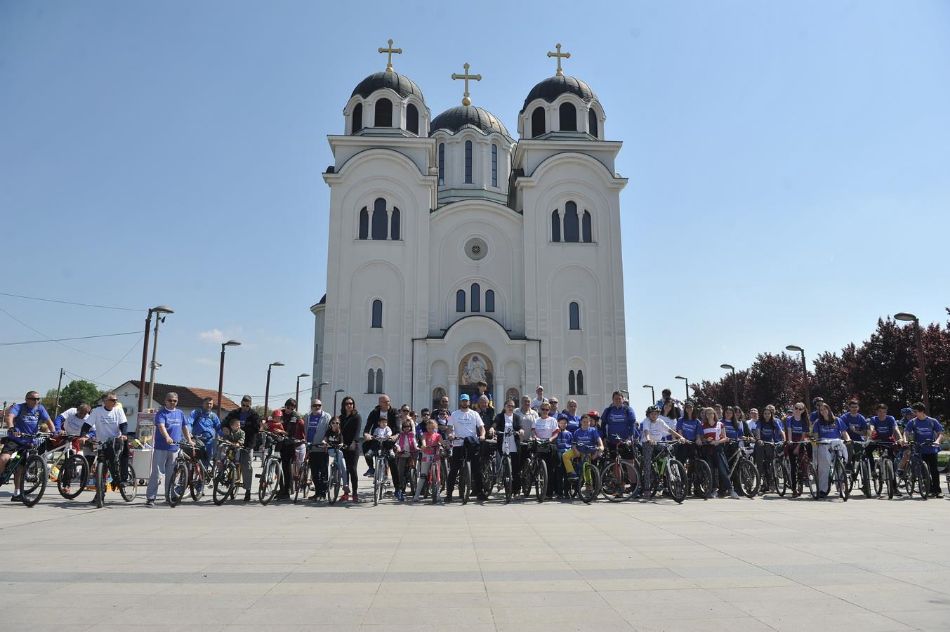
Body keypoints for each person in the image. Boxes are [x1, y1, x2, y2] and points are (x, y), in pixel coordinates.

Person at [2, 391, 52, 502]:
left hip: (29, 441)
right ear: (27, 399)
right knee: (4, 458)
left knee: (20, 469)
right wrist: (11, 427)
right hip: (15, 439)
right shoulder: (19, 407)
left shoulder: (40, 408)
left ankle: (17, 493)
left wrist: (55, 432)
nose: (36, 401)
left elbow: (49, 421)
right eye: (34, 399)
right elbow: (10, 417)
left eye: (38, 399)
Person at [146, 392, 192, 506]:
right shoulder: (161, 413)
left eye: (174, 401)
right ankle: (151, 497)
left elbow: (184, 427)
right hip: (161, 447)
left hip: (174, 448)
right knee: (156, 473)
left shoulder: (180, 413)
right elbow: (161, 426)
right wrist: (167, 437)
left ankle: (169, 496)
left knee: (172, 474)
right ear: (165, 401)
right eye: (170, 400)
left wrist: (189, 439)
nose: (172, 403)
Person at [446, 394, 485, 502]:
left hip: (471, 444)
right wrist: (450, 434)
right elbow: (449, 428)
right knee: (454, 470)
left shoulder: (475, 414)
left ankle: (480, 492)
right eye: (463, 401)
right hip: (458, 444)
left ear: (469, 402)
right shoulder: (454, 414)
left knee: (477, 469)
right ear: (460, 402)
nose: (464, 403)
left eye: (466, 401)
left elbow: (481, 427)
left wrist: (482, 435)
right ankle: (449, 494)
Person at [223, 395, 261, 502]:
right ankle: (228, 483)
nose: (245, 407)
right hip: (233, 442)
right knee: (228, 461)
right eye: (243, 405)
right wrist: (225, 427)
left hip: (247, 444)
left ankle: (247, 490)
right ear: (241, 403)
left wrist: (242, 428)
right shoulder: (235, 413)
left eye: (247, 406)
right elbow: (226, 421)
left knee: (246, 466)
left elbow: (257, 428)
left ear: (250, 405)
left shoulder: (254, 415)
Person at [640, 406, 684, 494]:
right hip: (648, 443)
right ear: (648, 415)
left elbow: (670, 430)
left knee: (667, 454)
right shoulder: (646, 421)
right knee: (648, 464)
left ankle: (666, 483)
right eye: (652, 414)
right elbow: (646, 431)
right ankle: (647, 488)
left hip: (658, 443)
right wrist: (649, 439)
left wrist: (681, 437)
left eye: (656, 414)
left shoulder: (660, 421)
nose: (654, 415)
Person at [903, 402, 944, 497]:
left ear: (922, 411)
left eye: (915, 411)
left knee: (934, 470)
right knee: (923, 470)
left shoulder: (932, 421)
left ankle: (937, 490)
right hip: (919, 449)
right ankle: (928, 488)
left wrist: (937, 441)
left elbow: (940, 433)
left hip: (931, 448)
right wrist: (905, 440)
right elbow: (906, 432)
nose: (914, 413)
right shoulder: (913, 422)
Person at [811, 402, 850, 499]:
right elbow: (816, 436)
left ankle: (841, 487)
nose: (823, 411)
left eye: (825, 409)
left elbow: (844, 433)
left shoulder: (837, 420)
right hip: (824, 444)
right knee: (823, 467)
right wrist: (816, 441)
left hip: (836, 443)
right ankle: (822, 490)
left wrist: (848, 440)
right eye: (821, 410)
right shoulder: (817, 422)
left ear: (829, 409)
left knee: (840, 466)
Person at [700, 407, 740, 499]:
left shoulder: (720, 424)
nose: (710, 415)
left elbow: (725, 438)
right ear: (705, 415)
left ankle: (731, 490)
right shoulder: (702, 425)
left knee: (723, 470)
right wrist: (706, 439)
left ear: (715, 414)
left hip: (718, 449)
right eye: (708, 413)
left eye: (711, 413)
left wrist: (717, 442)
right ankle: (713, 490)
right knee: (711, 470)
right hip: (707, 450)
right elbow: (701, 438)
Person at [491, 400, 522, 495]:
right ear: (505, 407)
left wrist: (521, 431)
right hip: (503, 443)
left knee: (516, 469)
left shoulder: (516, 417)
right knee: (505, 467)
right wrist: (492, 428)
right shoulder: (500, 416)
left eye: (512, 406)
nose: (510, 407)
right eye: (509, 406)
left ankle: (516, 490)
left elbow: (520, 427)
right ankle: (507, 487)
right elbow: (494, 425)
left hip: (514, 444)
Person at [562, 413, 603, 481]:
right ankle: (572, 473)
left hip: (588, 451)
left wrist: (600, 449)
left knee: (586, 466)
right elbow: (573, 444)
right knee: (565, 456)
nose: (586, 423)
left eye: (587, 422)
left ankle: (588, 484)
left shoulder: (593, 430)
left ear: (590, 422)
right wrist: (576, 451)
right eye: (584, 421)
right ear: (581, 422)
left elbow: (600, 443)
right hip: (578, 450)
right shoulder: (577, 432)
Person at [754, 405, 785, 490]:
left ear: (771, 414)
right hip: (761, 444)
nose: (767, 415)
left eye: (768, 413)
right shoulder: (760, 422)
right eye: (765, 414)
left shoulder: (774, 421)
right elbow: (757, 431)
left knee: (771, 463)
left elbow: (781, 431)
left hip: (770, 443)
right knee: (760, 465)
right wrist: (759, 439)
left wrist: (784, 440)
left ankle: (771, 482)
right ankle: (758, 484)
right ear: (762, 414)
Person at [305, 399, 331, 500]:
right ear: (311, 406)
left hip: (322, 448)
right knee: (314, 472)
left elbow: (328, 431)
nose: (317, 407)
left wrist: (326, 442)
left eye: (319, 405)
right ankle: (317, 492)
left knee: (323, 471)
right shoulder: (307, 416)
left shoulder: (326, 416)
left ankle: (323, 493)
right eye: (315, 405)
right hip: (311, 448)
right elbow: (306, 430)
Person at [412, 418, 443, 504]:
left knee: (438, 476)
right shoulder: (424, 434)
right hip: (426, 456)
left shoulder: (438, 435)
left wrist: (443, 444)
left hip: (436, 456)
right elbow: (423, 442)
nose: (431, 430)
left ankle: (438, 495)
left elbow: (442, 442)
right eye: (429, 428)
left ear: (436, 427)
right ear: (427, 428)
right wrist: (424, 446)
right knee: (423, 476)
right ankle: (416, 496)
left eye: (433, 428)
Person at [532, 401, 560, 498]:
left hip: (549, 444)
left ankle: (549, 493)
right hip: (539, 444)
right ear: (540, 410)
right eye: (543, 409)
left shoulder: (552, 420)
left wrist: (551, 439)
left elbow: (556, 432)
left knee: (550, 469)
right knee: (537, 464)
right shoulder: (536, 420)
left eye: (547, 409)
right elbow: (533, 431)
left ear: (549, 410)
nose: (545, 411)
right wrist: (536, 437)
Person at [784, 402, 811, 497]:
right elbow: (789, 431)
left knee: (801, 465)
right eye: (796, 408)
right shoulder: (789, 419)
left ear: (803, 411)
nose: (798, 410)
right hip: (792, 442)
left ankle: (802, 482)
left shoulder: (804, 421)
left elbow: (803, 435)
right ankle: (794, 488)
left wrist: (798, 447)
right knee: (793, 467)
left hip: (800, 442)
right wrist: (790, 441)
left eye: (800, 409)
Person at [363, 395, 395, 475]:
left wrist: (394, 436)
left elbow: (397, 426)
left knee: (390, 452)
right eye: (385, 402)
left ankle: (387, 475)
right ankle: (371, 468)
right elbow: (368, 426)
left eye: (388, 401)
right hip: (376, 436)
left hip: (390, 437)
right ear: (380, 403)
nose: (387, 403)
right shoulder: (374, 412)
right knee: (365, 446)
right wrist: (366, 434)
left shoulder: (394, 412)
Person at [338, 397, 362, 502]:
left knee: (352, 469)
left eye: (351, 403)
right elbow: (339, 432)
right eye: (347, 403)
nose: (349, 405)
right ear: (344, 405)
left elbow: (357, 431)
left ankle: (355, 493)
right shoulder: (341, 417)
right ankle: (346, 493)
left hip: (353, 446)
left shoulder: (357, 417)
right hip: (343, 445)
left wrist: (353, 442)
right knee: (344, 469)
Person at [188, 397, 221, 471]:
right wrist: (188, 432)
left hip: (209, 441)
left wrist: (225, 436)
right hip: (197, 440)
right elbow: (189, 423)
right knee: (193, 459)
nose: (209, 405)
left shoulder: (213, 416)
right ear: (203, 404)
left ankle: (203, 478)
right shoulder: (196, 413)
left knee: (207, 459)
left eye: (210, 404)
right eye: (207, 403)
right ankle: (188, 476)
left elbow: (219, 428)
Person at [323, 417, 350, 499]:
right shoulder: (328, 432)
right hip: (331, 451)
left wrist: (341, 445)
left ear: (339, 425)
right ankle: (329, 480)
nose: (335, 424)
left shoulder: (340, 433)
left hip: (338, 451)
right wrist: (324, 443)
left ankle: (345, 484)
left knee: (344, 466)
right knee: (329, 463)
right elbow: (324, 440)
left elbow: (342, 442)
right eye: (333, 423)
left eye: (337, 423)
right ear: (330, 424)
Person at [674, 401, 704, 472]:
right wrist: (682, 438)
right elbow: (679, 432)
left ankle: (690, 478)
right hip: (683, 442)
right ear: (685, 409)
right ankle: (682, 478)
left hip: (692, 442)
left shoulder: (697, 421)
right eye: (687, 407)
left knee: (693, 461)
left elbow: (698, 434)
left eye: (690, 407)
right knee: (681, 461)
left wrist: (698, 439)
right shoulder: (681, 420)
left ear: (693, 408)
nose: (689, 409)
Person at [839, 399, 869, 469]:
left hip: (858, 440)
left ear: (858, 408)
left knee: (860, 455)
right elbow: (841, 430)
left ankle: (861, 469)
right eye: (852, 407)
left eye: (855, 407)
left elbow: (864, 432)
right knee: (849, 451)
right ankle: (848, 464)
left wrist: (855, 431)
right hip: (847, 440)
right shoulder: (844, 417)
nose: (854, 409)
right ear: (849, 408)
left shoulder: (861, 418)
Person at [393, 418, 417, 502]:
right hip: (402, 455)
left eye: (408, 427)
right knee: (400, 472)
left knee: (411, 472)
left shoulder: (412, 434)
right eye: (405, 427)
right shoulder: (401, 435)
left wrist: (416, 447)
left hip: (410, 454)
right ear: (402, 428)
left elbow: (414, 442)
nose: (407, 428)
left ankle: (413, 488)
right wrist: (398, 448)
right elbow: (397, 443)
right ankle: (401, 489)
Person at [553, 415, 573, 496]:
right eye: (561, 423)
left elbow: (572, 444)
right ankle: (559, 492)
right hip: (558, 454)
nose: (563, 425)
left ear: (567, 424)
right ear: (558, 423)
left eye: (565, 423)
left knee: (567, 474)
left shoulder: (569, 434)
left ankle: (567, 491)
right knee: (559, 473)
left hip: (567, 454)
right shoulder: (556, 433)